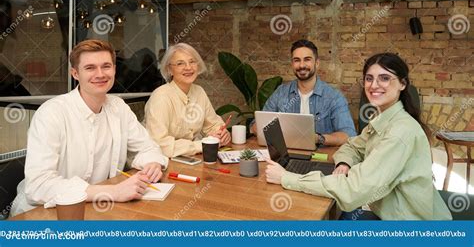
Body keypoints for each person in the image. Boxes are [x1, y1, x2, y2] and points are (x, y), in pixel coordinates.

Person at [265, 53, 452, 220]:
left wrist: (287, 178)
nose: (374, 85)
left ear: (402, 84)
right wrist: (344, 163)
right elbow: (352, 145)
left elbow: (353, 190)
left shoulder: (399, 132)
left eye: (384, 78)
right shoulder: (383, 119)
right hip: (387, 212)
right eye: (369, 79)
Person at [10, 40, 168, 217]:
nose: (100, 74)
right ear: (75, 73)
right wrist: (113, 192)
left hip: (100, 209)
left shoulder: (119, 107)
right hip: (45, 214)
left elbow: (147, 147)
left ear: (114, 69)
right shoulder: (51, 113)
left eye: (106, 66)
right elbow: (38, 185)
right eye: (90, 68)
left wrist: (152, 163)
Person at [254, 39, 356, 147]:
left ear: (317, 63)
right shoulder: (280, 93)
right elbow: (256, 126)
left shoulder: (334, 97)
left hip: (320, 158)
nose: (302, 65)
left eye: (307, 59)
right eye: (297, 60)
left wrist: (318, 138)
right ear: (292, 64)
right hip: (286, 155)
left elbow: (349, 135)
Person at [144, 43, 231, 158]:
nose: (188, 67)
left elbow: (213, 125)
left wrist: (222, 134)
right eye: (180, 63)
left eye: (192, 62)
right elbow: (160, 144)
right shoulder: (161, 97)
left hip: (189, 159)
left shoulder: (199, 92)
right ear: (169, 69)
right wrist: (200, 145)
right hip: (159, 162)